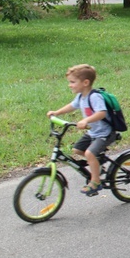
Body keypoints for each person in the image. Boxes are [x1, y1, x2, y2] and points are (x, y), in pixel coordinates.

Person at [46, 64, 118, 196]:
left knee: (89, 154)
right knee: (77, 150)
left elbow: (101, 113)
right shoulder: (81, 97)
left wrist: (86, 120)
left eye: (73, 82)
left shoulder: (94, 97)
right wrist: (57, 112)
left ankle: (95, 181)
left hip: (105, 133)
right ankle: (98, 166)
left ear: (85, 82)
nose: (70, 85)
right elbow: (71, 106)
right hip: (93, 132)